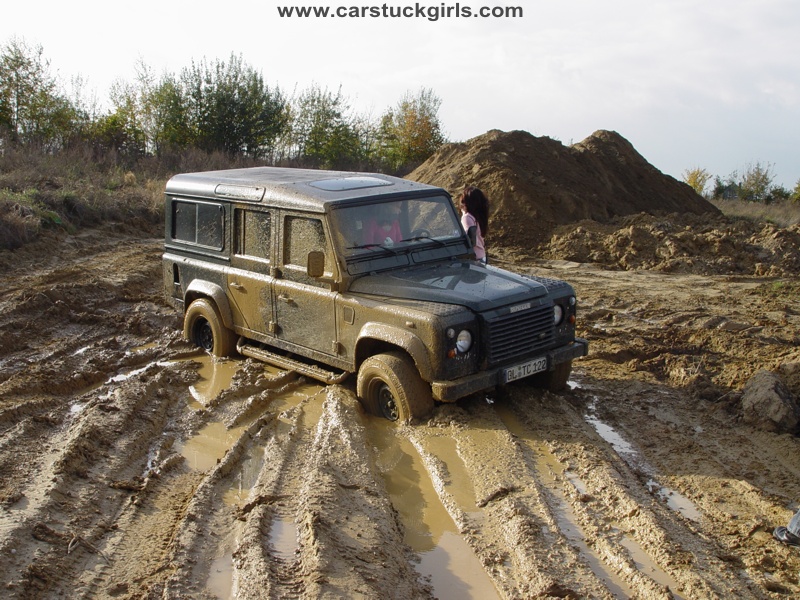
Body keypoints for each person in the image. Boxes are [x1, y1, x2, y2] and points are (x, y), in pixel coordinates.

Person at [458, 186, 489, 264]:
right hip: (481, 256)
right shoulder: (479, 217)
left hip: (473, 258)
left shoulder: (467, 217)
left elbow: (468, 240)